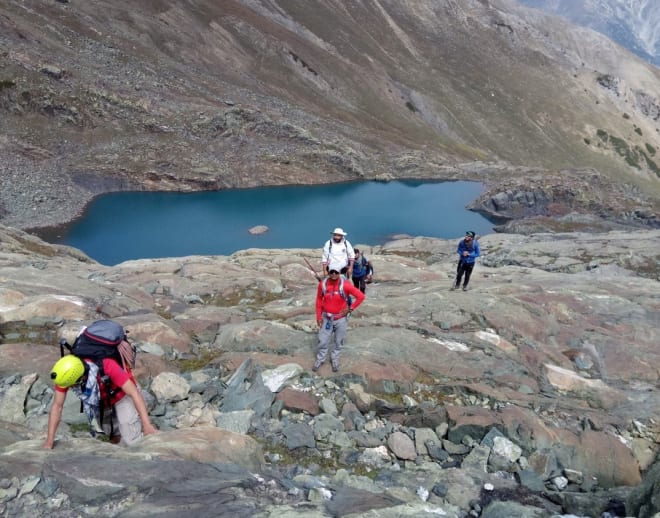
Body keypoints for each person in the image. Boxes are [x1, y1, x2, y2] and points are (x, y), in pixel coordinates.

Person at [44, 352, 157, 449]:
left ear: (80, 379)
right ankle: (118, 447)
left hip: (122, 395)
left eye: (72, 386)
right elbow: (57, 406)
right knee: (110, 432)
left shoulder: (107, 366)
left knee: (132, 441)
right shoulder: (65, 374)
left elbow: (134, 393)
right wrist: (49, 441)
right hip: (100, 400)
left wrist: (147, 424)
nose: (71, 388)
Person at [314, 268, 365, 373]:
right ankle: (320, 359)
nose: (333, 274)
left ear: (339, 272)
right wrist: (318, 317)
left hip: (340, 319)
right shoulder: (322, 284)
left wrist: (350, 308)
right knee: (323, 340)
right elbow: (319, 300)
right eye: (331, 271)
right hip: (326, 318)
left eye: (336, 272)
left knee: (338, 341)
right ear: (328, 272)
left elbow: (360, 296)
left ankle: (335, 359)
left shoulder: (345, 285)